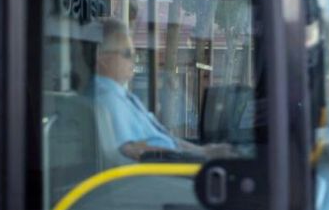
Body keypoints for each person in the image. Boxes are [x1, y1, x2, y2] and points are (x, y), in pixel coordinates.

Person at [92, 18, 231, 161]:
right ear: (102, 58)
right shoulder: (108, 99)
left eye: (135, 54)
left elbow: (163, 139)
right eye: (127, 54)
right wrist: (197, 155)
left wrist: (202, 151)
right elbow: (132, 151)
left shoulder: (121, 96)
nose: (134, 60)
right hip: (155, 173)